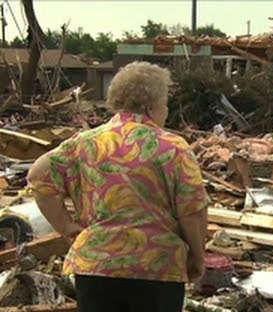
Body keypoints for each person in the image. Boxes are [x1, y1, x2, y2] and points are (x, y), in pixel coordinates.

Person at [27, 61, 209, 312]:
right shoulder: (174, 147)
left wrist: (66, 226)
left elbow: (38, 176)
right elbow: (192, 211)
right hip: (157, 269)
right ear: (151, 106)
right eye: (165, 102)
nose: (166, 110)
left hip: (96, 268)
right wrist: (198, 256)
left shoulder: (85, 142)